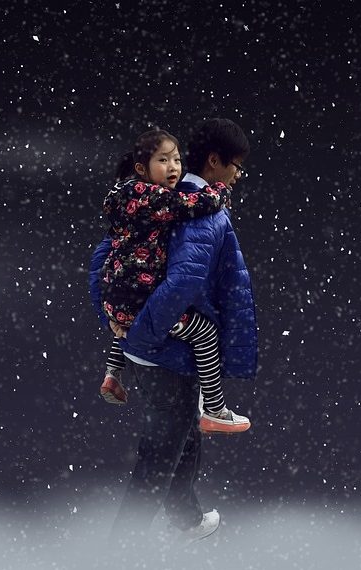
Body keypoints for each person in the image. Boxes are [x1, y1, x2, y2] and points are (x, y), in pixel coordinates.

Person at [88, 118, 257, 540]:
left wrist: (116, 317)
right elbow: (182, 281)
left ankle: (186, 520)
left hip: (157, 346)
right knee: (160, 455)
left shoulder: (162, 195)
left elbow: (106, 252)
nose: (238, 176)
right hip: (168, 350)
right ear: (215, 162)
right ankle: (116, 554)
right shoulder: (200, 206)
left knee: (180, 439)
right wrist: (140, 333)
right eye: (236, 166)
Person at [97, 128, 251, 434]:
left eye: (176, 160)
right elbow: (192, 206)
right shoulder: (157, 197)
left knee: (124, 321)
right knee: (204, 331)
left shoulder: (125, 192)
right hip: (140, 299)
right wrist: (220, 193)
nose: (173, 167)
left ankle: (112, 373)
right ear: (142, 169)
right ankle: (215, 408)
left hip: (116, 292)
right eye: (164, 160)